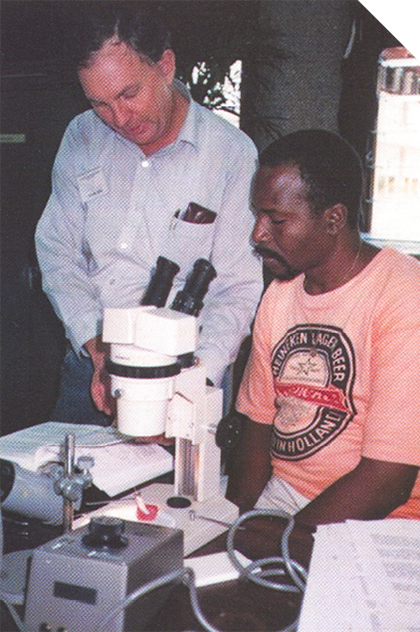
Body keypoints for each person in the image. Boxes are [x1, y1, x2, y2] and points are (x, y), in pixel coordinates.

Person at [35, 0, 262, 425]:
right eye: (100, 103)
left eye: (129, 93)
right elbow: (57, 253)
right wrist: (98, 349)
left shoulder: (230, 155)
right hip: (92, 365)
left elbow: (237, 289)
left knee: (178, 492)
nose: (118, 117)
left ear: (166, 66)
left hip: (184, 371)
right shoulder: (82, 136)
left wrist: (193, 385)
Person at [226, 130, 420, 534]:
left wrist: (278, 544)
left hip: (381, 517)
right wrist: (232, 525)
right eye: (257, 215)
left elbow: (387, 482)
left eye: (277, 220)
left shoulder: (402, 295)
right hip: (284, 500)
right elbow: (258, 427)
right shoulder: (281, 294)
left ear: (333, 219)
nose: (257, 234)